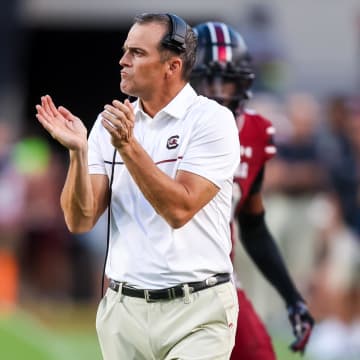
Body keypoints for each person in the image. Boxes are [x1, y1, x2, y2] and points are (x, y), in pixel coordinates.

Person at [35, 13, 240, 360]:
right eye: (125, 50)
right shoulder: (108, 124)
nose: (123, 61)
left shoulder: (212, 121)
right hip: (124, 310)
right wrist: (78, 152)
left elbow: (179, 209)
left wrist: (129, 147)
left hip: (197, 311)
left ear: (172, 66)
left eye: (137, 53)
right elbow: (80, 220)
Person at [191, 21, 315, 359]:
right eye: (210, 79)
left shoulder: (256, 131)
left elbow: (253, 225)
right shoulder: (162, 128)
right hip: (160, 282)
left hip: (217, 280)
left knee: (259, 352)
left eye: (228, 80)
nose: (220, 90)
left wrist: (292, 296)